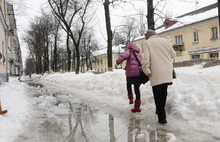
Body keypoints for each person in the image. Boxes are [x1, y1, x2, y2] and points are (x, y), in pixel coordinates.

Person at [142, 29, 176, 124]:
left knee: (157, 94)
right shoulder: (166, 41)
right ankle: (159, 110)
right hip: (167, 70)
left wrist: (146, 70)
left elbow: (146, 59)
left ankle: (162, 117)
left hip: (156, 71)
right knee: (164, 92)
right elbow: (173, 54)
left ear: (147, 37)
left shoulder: (147, 43)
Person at [115, 42, 143, 112]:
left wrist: (117, 63)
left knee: (128, 84)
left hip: (130, 73)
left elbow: (123, 56)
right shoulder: (139, 54)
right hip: (138, 73)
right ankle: (137, 107)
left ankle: (131, 99)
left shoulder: (129, 51)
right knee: (137, 89)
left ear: (129, 48)